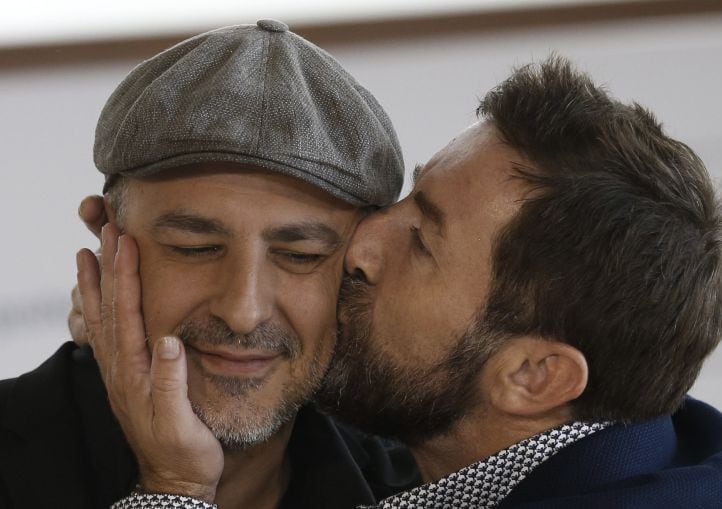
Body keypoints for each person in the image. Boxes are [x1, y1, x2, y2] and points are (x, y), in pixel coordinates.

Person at [95, 56, 722, 508]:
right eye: (410, 198)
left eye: (420, 240)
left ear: (534, 375)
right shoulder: (689, 448)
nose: (358, 245)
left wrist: (176, 487)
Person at [0, 21, 420, 509]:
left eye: (299, 256)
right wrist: (175, 490)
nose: (243, 312)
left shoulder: (415, 487)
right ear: (105, 237)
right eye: (194, 247)